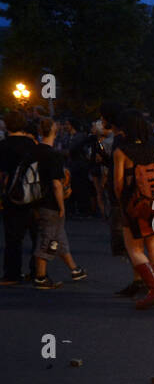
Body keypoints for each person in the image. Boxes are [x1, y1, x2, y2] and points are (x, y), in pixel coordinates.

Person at [112, 109, 154, 310]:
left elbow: (118, 184)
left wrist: (121, 204)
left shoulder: (121, 152)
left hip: (134, 203)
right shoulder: (153, 149)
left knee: (134, 249)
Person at [30, 117, 85, 289]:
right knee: (48, 238)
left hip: (35, 198)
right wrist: (61, 206)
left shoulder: (33, 151)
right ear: (55, 131)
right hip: (50, 202)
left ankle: (74, 269)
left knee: (58, 235)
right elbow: (56, 184)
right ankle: (40, 276)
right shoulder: (53, 155)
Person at [0, 110, 42, 286]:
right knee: (36, 235)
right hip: (34, 194)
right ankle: (36, 270)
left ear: (6, 125)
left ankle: (12, 273)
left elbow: (2, 173)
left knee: (13, 237)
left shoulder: (3, 145)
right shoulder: (33, 144)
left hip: (13, 194)